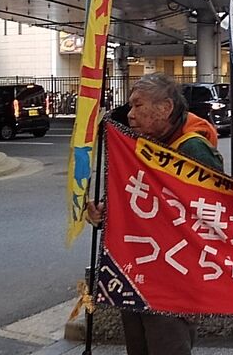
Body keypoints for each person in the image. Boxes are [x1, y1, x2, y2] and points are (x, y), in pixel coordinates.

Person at [86, 73, 223, 355]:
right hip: (138, 272)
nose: (130, 114)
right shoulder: (144, 144)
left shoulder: (192, 148)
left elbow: (216, 211)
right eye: (131, 106)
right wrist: (104, 213)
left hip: (173, 277)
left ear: (165, 108)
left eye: (138, 105)